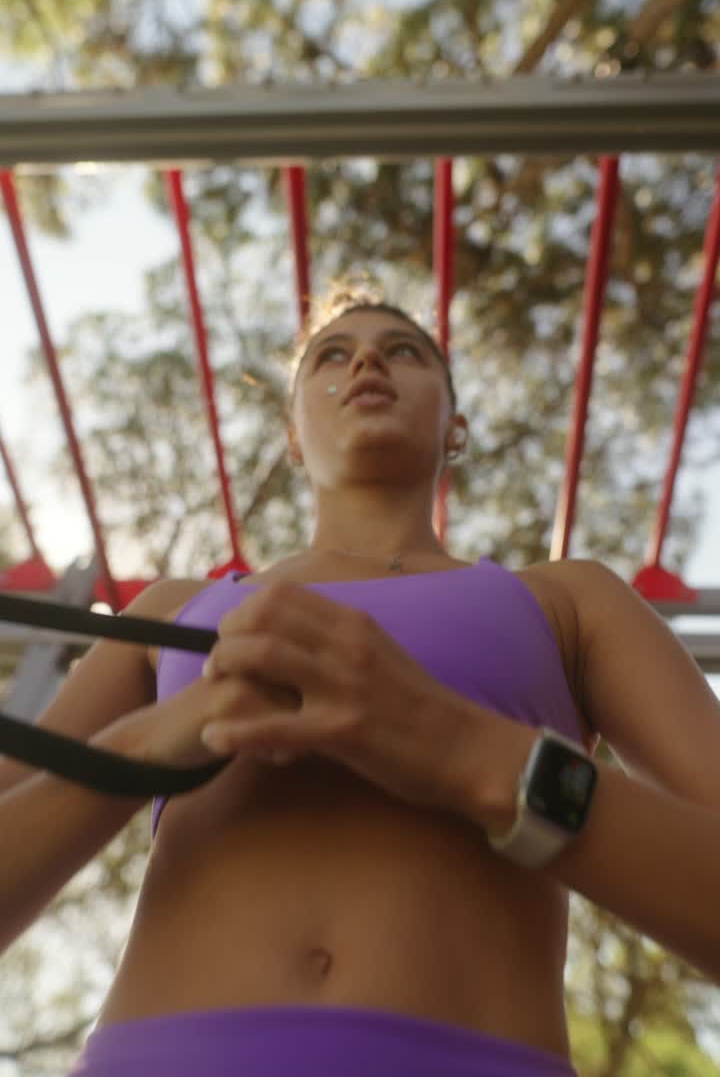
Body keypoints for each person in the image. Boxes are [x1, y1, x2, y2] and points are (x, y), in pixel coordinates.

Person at [2, 280, 720, 1077]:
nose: (368, 360)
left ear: (456, 428)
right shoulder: (171, 611)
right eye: (331, 357)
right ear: (292, 438)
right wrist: (141, 746)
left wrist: (460, 746)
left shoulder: (571, 603)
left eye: (404, 351)